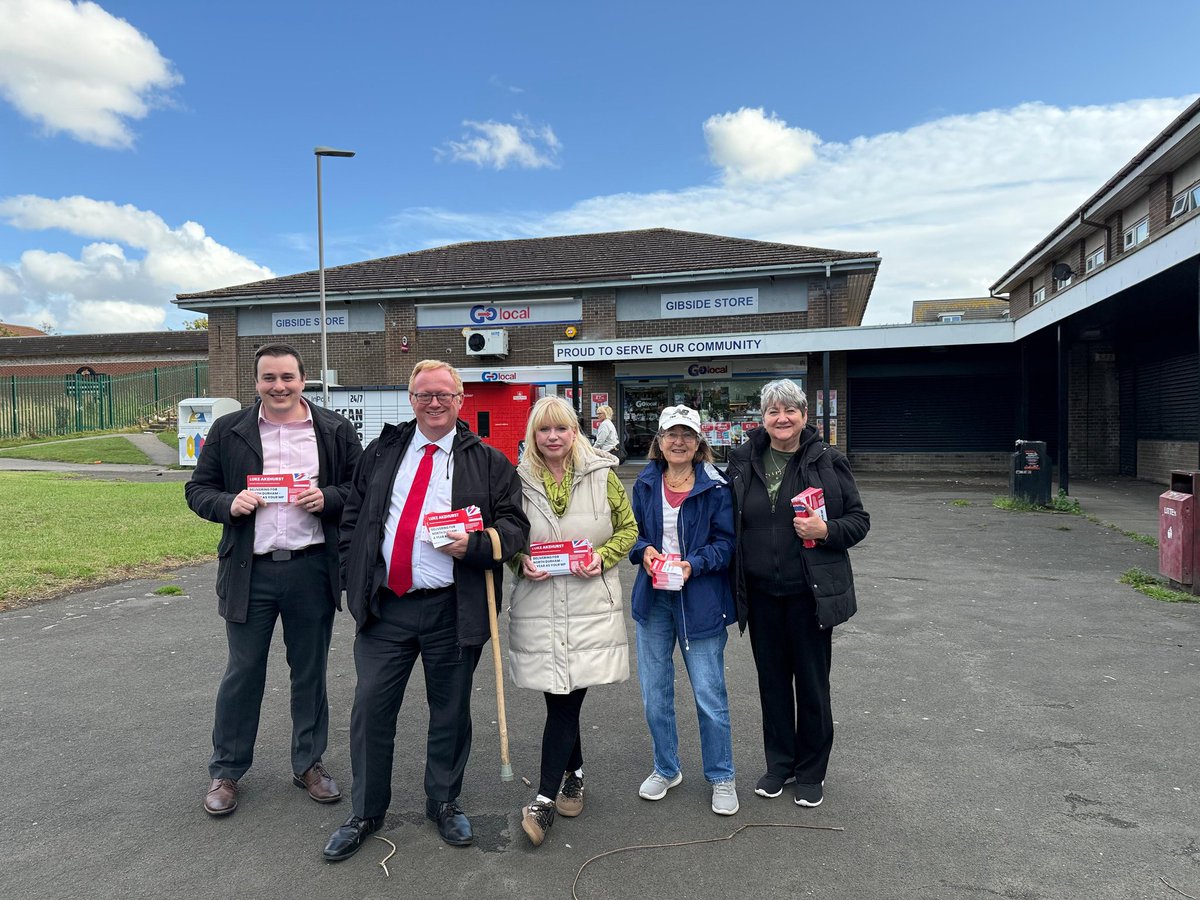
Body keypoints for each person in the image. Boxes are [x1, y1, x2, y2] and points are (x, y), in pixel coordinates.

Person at [323, 359, 529, 862]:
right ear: (410, 399)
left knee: (450, 712)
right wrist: (355, 577)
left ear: (461, 400)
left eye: (443, 394)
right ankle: (367, 810)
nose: (433, 403)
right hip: (386, 607)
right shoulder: (382, 451)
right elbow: (353, 517)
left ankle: (444, 801)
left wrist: (476, 545)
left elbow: (515, 527)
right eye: (423, 395)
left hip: (452, 609)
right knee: (370, 709)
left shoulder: (487, 461)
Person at [185, 342, 362, 817]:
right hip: (251, 571)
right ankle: (226, 770)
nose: (279, 386)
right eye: (269, 378)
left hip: (311, 568)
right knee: (243, 673)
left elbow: (360, 488)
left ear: (304, 380)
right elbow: (197, 489)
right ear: (256, 382)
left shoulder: (334, 429)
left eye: (287, 377)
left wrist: (328, 497)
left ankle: (308, 763)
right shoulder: (229, 430)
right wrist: (229, 505)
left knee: (309, 673)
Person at [725, 378, 869, 809]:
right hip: (762, 595)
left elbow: (859, 521)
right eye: (773, 411)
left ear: (805, 416)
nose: (781, 418)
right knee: (771, 685)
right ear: (763, 418)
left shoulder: (827, 461)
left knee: (810, 685)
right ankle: (779, 765)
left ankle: (810, 771)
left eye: (790, 411)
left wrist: (826, 530)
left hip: (809, 595)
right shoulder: (742, 459)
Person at [507, 396, 637, 847]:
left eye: (562, 428)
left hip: (587, 605)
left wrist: (601, 558)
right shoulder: (517, 479)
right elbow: (508, 536)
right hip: (539, 605)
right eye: (544, 430)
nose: (553, 437)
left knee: (565, 698)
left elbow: (629, 530)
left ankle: (543, 799)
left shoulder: (603, 474)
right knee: (559, 695)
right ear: (533, 435)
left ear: (575, 431)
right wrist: (519, 561)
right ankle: (575, 774)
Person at [628, 404, 739, 816]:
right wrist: (646, 553)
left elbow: (728, 545)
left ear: (699, 443)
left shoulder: (715, 485)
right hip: (654, 598)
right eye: (671, 435)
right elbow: (632, 537)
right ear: (659, 441)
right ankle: (666, 767)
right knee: (654, 695)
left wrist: (693, 563)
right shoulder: (644, 482)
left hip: (700, 600)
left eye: (687, 435)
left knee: (709, 694)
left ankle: (722, 775)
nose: (679, 442)